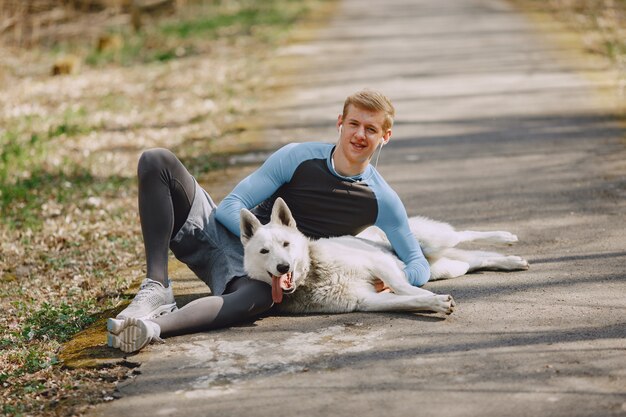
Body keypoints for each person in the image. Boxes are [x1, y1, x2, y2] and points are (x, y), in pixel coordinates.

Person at [106, 89, 431, 353]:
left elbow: (416, 261)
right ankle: (157, 286)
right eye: (354, 124)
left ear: (385, 136)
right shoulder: (298, 157)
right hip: (226, 236)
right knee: (156, 160)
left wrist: (393, 281)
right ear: (340, 124)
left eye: (371, 129)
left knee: (261, 302)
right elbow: (231, 205)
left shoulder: (382, 199)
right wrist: (261, 239)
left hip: (264, 275)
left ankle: (152, 328)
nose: (360, 135)